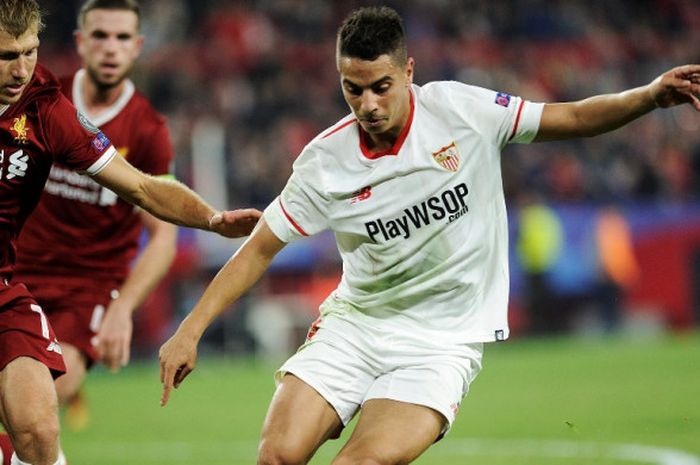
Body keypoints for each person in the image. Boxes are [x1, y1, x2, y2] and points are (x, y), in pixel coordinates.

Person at [159, 6, 700, 465]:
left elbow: (573, 116)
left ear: (408, 71)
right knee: (276, 457)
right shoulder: (325, 162)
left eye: (380, 87)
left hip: (440, 343)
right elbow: (259, 249)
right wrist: (191, 329)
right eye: (352, 89)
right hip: (357, 326)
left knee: (360, 462)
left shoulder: (462, 112)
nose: (367, 104)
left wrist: (649, 96)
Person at [0, 1, 261, 464]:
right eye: (6, 56)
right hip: (27, 267)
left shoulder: (51, 110)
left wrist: (211, 219)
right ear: (81, 43)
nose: (21, 69)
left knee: (40, 427)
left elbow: (144, 189)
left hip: (64, 287)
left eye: (30, 52)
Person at [5, 1, 177, 459]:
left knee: (44, 404)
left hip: (87, 291)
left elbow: (161, 234)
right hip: (18, 271)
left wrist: (124, 307)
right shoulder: (40, 98)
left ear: (138, 47)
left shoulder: (148, 132)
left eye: (123, 38)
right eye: (100, 35)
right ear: (80, 43)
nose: (110, 49)